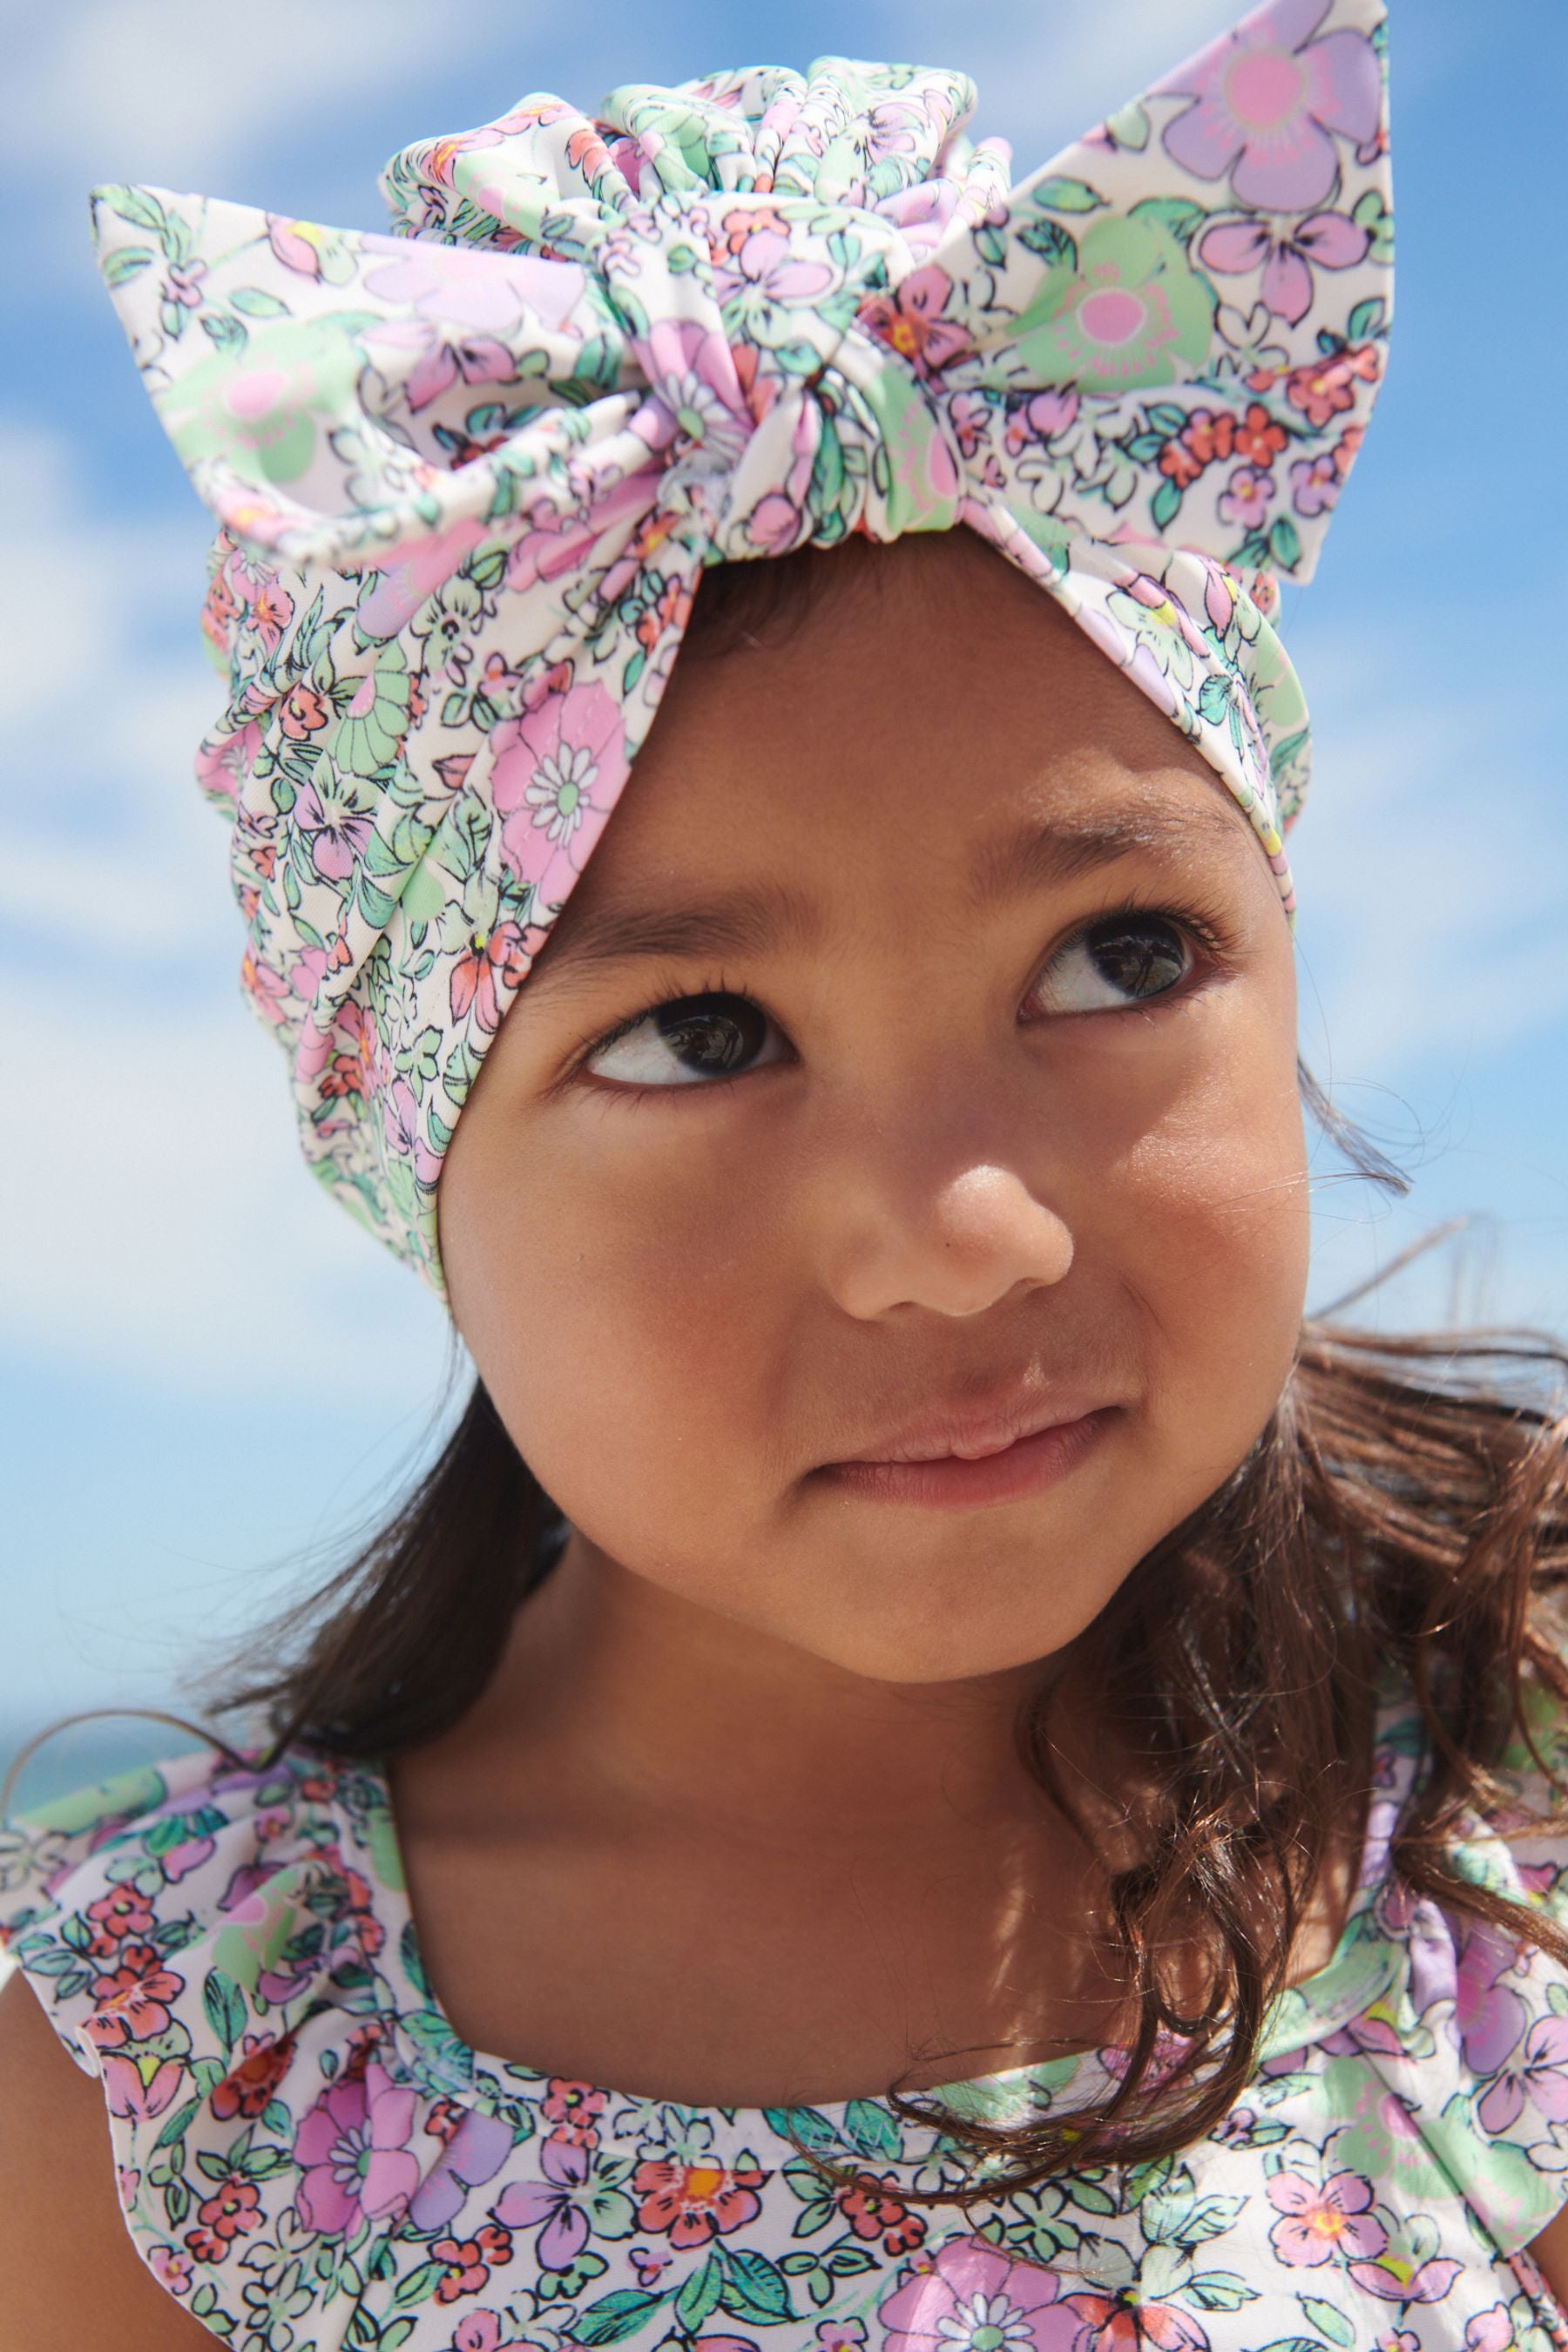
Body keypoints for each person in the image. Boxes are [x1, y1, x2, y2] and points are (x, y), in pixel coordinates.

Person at [6, 5, 1568, 2347]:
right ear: (404, 1152)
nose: (961, 1240)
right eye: (699, 1035)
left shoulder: (1506, 1863)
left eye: (1118, 953)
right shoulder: (151, 2086)